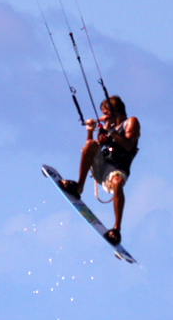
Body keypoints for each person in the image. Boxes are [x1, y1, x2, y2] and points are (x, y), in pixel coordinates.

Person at [58, 95, 139, 245]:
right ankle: (79, 187)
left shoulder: (131, 122)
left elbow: (128, 146)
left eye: (106, 113)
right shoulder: (107, 128)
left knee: (117, 182)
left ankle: (116, 229)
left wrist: (111, 130)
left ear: (116, 112)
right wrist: (90, 131)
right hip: (102, 166)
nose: (103, 117)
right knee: (90, 144)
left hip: (118, 170)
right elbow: (90, 150)